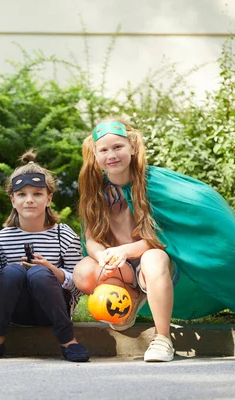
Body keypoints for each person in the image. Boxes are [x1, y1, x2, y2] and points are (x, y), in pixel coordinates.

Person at [73, 118, 235, 362]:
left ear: (133, 147)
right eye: (103, 150)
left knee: (153, 258)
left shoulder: (153, 184)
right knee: (83, 270)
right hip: (122, 268)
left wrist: (126, 250)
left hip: (154, 263)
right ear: (94, 156)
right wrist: (100, 254)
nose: (112, 155)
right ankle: (130, 297)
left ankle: (162, 338)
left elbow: (164, 236)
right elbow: (91, 238)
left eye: (118, 147)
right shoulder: (96, 193)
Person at [0, 150, 89, 362]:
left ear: (49, 199)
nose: (29, 200)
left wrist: (54, 272)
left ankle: (68, 341)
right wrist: (11, 276)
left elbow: (81, 286)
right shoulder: (2, 238)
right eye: (22, 194)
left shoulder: (64, 234)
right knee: (14, 271)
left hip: (53, 310)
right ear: (13, 200)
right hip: (17, 312)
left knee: (40, 274)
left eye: (37, 194)